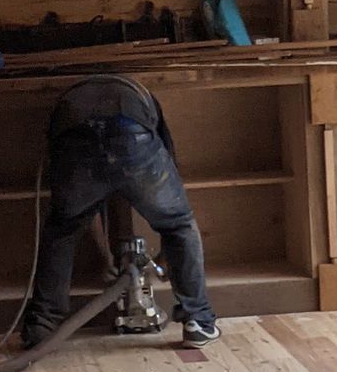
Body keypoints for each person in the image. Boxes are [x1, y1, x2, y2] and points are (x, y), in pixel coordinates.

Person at [20, 74, 219, 349]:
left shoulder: (74, 99)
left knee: (63, 229)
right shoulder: (142, 97)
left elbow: (83, 210)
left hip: (74, 135)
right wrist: (165, 258)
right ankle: (198, 321)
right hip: (132, 131)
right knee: (178, 223)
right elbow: (169, 180)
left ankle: (41, 326)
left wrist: (107, 258)